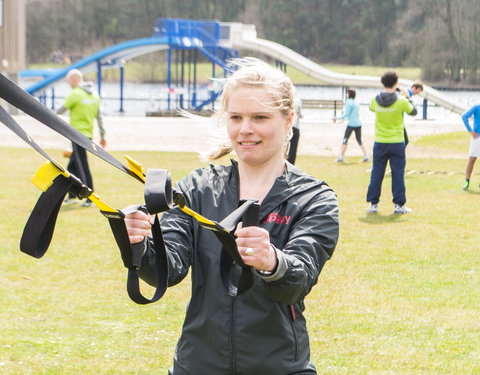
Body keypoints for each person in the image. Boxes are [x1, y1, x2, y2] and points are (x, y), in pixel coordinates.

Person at [125, 58, 339, 374]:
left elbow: (298, 280)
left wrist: (271, 260)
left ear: (287, 119)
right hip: (198, 364)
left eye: (260, 117)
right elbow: (167, 271)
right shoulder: (196, 189)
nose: (245, 129)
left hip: (279, 366)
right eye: (236, 117)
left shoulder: (314, 198)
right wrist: (141, 240)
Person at [366, 71, 417, 214]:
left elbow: (371, 108)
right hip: (397, 141)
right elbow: (414, 112)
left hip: (380, 141)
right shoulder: (401, 100)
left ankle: (373, 204)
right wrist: (407, 96)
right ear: (395, 83)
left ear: (383, 83)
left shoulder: (376, 99)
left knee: (377, 173)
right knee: (398, 174)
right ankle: (399, 206)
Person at [56, 69, 106, 207]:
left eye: (68, 80)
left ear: (74, 80)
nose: (67, 83)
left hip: (76, 134)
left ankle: (91, 197)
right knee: (73, 164)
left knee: (81, 164)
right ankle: (71, 194)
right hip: (88, 134)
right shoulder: (95, 95)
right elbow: (99, 117)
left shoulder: (75, 93)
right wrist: (102, 135)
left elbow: (59, 111)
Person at [332, 88, 368, 163]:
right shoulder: (356, 102)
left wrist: (336, 118)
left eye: (347, 93)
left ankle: (341, 157)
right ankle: (366, 156)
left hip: (351, 125)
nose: (346, 94)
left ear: (349, 94)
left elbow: (346, 114)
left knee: (345, 140)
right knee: (359, 140)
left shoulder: (348, 102)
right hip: (358, 124)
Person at [397, 80, 423, 146]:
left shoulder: (406, 93)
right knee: (405, 141)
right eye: (418, 90)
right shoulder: (406, 93)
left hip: (398, 119)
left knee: (404, 141)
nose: (418, 93)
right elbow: (413, 111)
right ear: (414, 87)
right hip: (397, 120)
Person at [460, 104, 480, 190]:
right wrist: (470, 130)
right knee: (472, 160)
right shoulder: (477, 107)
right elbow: (464, 116)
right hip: (477, 137)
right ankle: (466, 181)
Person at [287, 97, 302, 164]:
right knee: (293, 149)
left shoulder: (286, 100)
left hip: (287, 126)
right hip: (295, 127)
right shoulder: (298, 100)